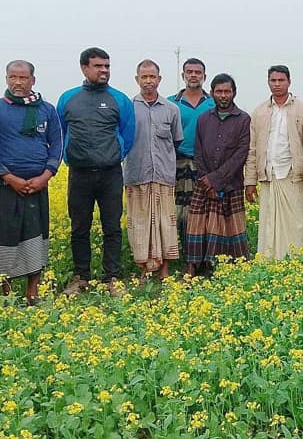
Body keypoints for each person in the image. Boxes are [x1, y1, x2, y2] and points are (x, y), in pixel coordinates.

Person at [58, 47, 135, 297]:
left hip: (110, 173)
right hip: (79, 174)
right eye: (98, 66)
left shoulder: (120, 99)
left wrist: (114, 155)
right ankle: (81, 277)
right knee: (79, 227)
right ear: (84, 68)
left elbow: (128, 134)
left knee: (112, 226)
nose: (104, 70)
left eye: (107, 66)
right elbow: (59, 133)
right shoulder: (68, 98)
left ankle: (112, 277)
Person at [0, 60, 63, 304]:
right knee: (5, 238)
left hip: (38, 186)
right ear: (6, 78)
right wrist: (9, 177)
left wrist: (45, 176)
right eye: (13, 77)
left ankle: (32, 292)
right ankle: (5, 293)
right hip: (6, 186)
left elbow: (57, 145)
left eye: (23, 78)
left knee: (36, 237)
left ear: (32, 80)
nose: (18, 82)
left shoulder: (47, 109)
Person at [124, 60, 183, 283]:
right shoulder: (128, 108)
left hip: (163, 175)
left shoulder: (171, 109)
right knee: (139, 224)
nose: (148, 81)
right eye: (144, 77)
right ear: (137, 79)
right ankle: (144, 270)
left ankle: (165, 269)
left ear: (159, 79)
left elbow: (175, 141)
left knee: (165, 223)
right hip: (136, 175)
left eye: (152, 77)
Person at [186, 74, 251, 276]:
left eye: (227, 91)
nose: (223, 95)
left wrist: (216, 180)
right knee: (197, 225)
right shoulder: (204, 119)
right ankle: (194, 267)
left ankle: (226, 269)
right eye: (219, 91)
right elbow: (198, 151)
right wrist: (207, 181)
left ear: (234, 93)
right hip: (204, 184)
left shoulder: (243, 119)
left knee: (230, 228)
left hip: (231, 183)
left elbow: (241, 153)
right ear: (212, 93)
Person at [245, 65, 303, 260]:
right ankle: (269, 261)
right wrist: (249, 181)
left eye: (281, 80)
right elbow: (252, 148)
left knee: (296, 221)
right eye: (273, 80)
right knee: (269, 221)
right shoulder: (259, 111)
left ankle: (296, 260)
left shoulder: (301, 108)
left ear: (289, 82)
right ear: (268, 83)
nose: (277, 84)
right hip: (269, 174)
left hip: (292, 174)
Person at [169, 58, 216, 251]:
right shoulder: (171, 103)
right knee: (181, 210)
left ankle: (205, 254)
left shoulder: (213, 103)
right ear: (183, 75)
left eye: (198, 72)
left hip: (205, 163)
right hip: (179, 161)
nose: (193, 75)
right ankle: (186, 254)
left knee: (205, 208)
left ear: (204, 76)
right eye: (189, 72)